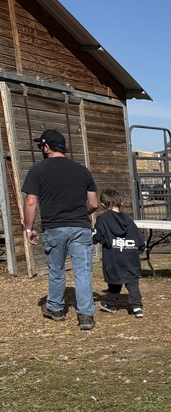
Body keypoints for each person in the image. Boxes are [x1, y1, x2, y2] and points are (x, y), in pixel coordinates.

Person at [21, 129, 99, 331]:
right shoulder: (82, 170)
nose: (41, 149)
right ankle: (86, 316)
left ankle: (55, 308)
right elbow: (94, 204)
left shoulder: (38, 170)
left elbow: (30, 202)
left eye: (41, 146)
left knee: (57, 271)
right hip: (81, 227)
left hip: (54, 227)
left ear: (47, 147)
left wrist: (29, 228)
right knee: (83, 272)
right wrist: (79, 213)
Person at [92, 189, 146, 318]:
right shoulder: (128, 219)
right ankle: (137, 307)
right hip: (130, 255)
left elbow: (96, 237)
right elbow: (139, 240)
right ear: (120, 202)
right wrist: (136, 250)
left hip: (113, 256)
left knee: (114, 281)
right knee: (132, 281)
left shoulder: (102, 219)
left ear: (103, 204)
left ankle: (111, 304)